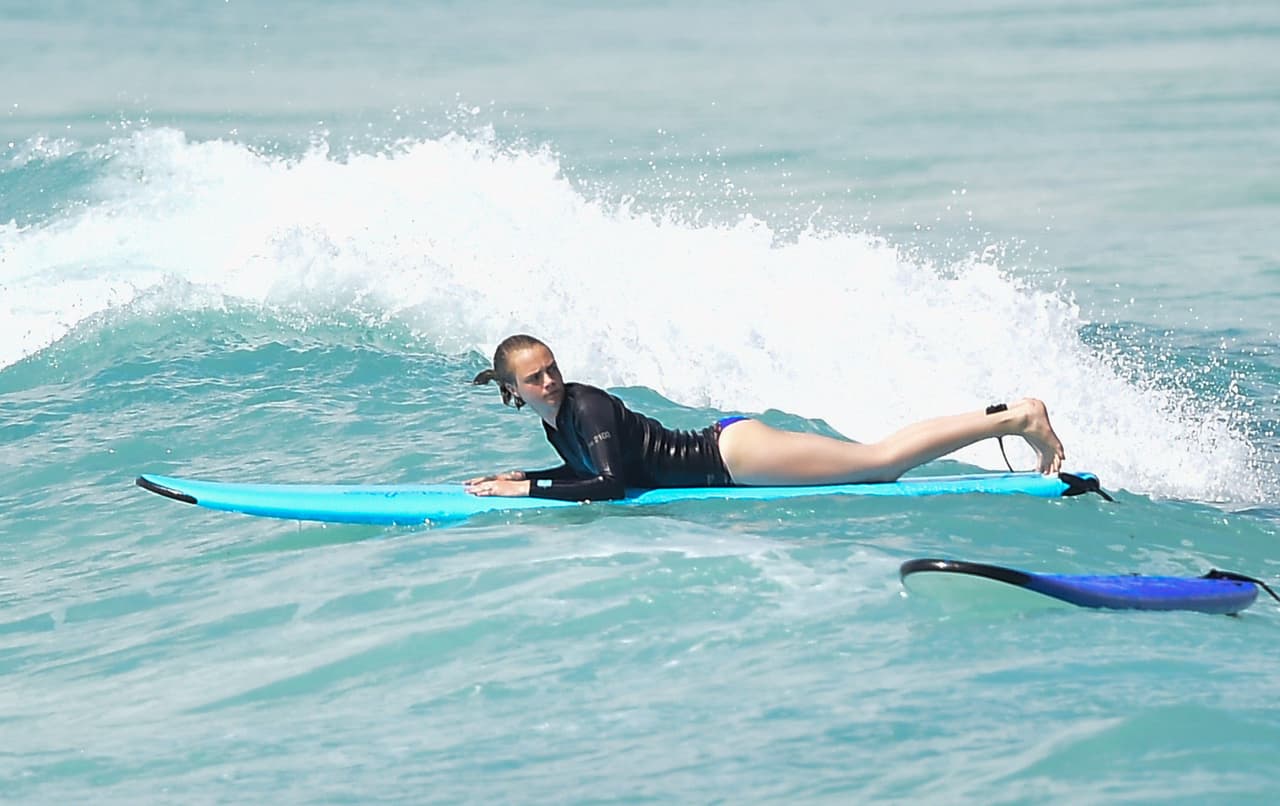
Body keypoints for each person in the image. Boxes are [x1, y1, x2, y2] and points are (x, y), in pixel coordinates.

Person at [466, 334, 1065, 501]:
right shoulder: (556, 420)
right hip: (731, 453)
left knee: (881, 463)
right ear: (514, 390)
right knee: (879, 458)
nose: (550, 381)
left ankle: (1014, 418)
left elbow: (610, 482)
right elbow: (594, 465)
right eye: (536, 378)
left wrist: (532, 489)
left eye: (552, 369)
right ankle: (1007, 418)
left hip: (732, 458)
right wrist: (527, 474)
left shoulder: (585, 405)